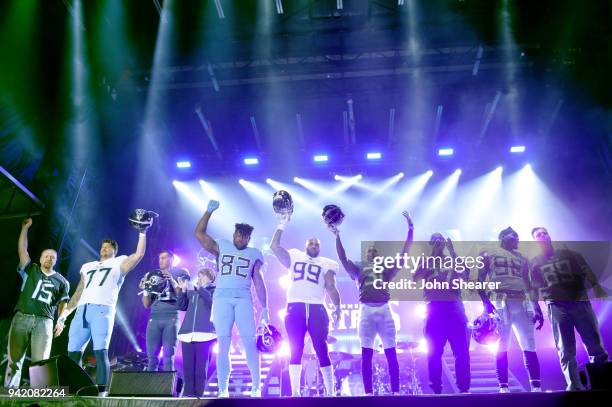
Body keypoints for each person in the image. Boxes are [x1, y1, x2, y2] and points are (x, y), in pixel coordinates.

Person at [56, 222, 150, 395]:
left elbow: (139, 254)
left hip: (102, 310)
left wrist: (142, 232)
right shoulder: (88, 266)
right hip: (82, 310)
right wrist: (63, 316)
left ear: (114, 250)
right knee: (72, 354)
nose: (104, 249)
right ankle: (72, 390)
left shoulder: (119, 262)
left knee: (100, 352)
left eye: (108, 247)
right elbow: (78, 293)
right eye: (103, 247)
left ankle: (101, 394)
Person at [331, 210, 413, 395]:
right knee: (366, 354)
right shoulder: (359, 267)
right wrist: (337, 236)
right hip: (366, 311)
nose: (372, 252)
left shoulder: (386, 267)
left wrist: (410, 228)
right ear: (366, 255)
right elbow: (343, 258)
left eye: (375, 250)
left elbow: (404, 254)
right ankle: (368, 394)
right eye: (369, 250)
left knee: (391, 353)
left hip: (385, 310)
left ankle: (396, 393)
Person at [194, 200, 269, 398]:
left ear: (249, 238)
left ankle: (256, 386)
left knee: (249, 342)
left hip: (244, 298)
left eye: (244, 236)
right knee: (223, 343)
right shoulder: (222, 245)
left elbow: (259, 281)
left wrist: (265, 308)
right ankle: (222, 388)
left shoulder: (255, 254)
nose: (240, 238)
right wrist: (208, 212)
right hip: (222, 298)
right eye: (237, 234)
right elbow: (199, 234)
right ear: (233, 234)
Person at [270, 212, 342, 396]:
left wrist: (338, 308)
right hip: (295, 306)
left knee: (321, 348)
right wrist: (281, 225)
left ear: (320, 247)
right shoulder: (295, 255)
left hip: (318, 307)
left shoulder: (327, 263)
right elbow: (275, 247)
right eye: (311, 243)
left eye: (317, 244)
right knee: (296, 348)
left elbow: (331, 286)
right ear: (305, 246)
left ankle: (331, 393)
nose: (314, 245)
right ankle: (295, 394)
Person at [530, 227, 608, 390]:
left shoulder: (568, 253)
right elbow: (533, 288)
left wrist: (596, 285)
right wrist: (536, 308)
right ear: (534, 241)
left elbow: (585, 269)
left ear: (549, 235)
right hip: (556, 305)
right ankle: (574, 387)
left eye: (544, 232)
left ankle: (603, 384)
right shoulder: (535, 262)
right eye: (538, 235)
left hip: (579, 300)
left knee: (595, 344)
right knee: (565, 349)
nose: (542, 236)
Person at [4, 218, 70, 388]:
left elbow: (64, 303)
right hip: (22, 317)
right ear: (40, 258)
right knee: (14, 361)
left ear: (55, 261)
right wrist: (25, 228)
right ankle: (10, 397)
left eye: (52, 257)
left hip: (44, 322)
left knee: (40, 364)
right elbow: (22, 250)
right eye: (46, 256)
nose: (49, 258)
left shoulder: (62, 282)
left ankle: (37, 399)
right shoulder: (30, 269)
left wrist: (61, 320)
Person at [478, 227, 544, 393]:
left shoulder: (522, 258)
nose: (517, 238)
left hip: (521, 300)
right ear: (502, 237)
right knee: (502, 344)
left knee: (529, 344)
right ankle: (503, 387)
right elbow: (479, 280)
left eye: (517, 235)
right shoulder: (488, 252)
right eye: (513, 235)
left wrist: (536, 306)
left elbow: (529, 285)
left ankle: (536, 387)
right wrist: (486, 303)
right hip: (500, 299)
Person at [413, 233, 470, 394]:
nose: (438, 243)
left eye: (441, 241)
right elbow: (415, 278)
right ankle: (436, 390)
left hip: (454, 307)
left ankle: (464, 389)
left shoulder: (453, 259)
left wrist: (453, 253)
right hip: (434, 309)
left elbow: (466, 275)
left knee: (461, 351)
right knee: (434, 352)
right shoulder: (426, 260)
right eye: (434, 241)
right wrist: (432, 256)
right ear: (431, 244)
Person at [139, 250, 190, 372]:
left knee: (168, 357)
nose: (160, 260)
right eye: (159, 258)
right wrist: (146, 290)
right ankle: (151, 390)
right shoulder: (152, 275)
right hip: (154, 317)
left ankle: (167, 390)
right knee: (151, 358)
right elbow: (146, 304)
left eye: (164, 257)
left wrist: (172, 280)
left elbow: (182, 295)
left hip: (171, 316)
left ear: (171, 259)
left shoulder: (181, 272)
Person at [177, 268, 217, 398]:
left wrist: (200, 289)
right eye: (199, 276)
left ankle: (198, 397)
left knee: (200, 369)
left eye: (203, 276)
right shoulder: (193, 293)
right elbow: (181, 306)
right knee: (188, 369)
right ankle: (188, 396)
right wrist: (183, 291)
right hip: (188, 334)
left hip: (206, 334)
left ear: (211, 278)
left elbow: (213, 303)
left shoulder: (215, 291)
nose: (199, 278)